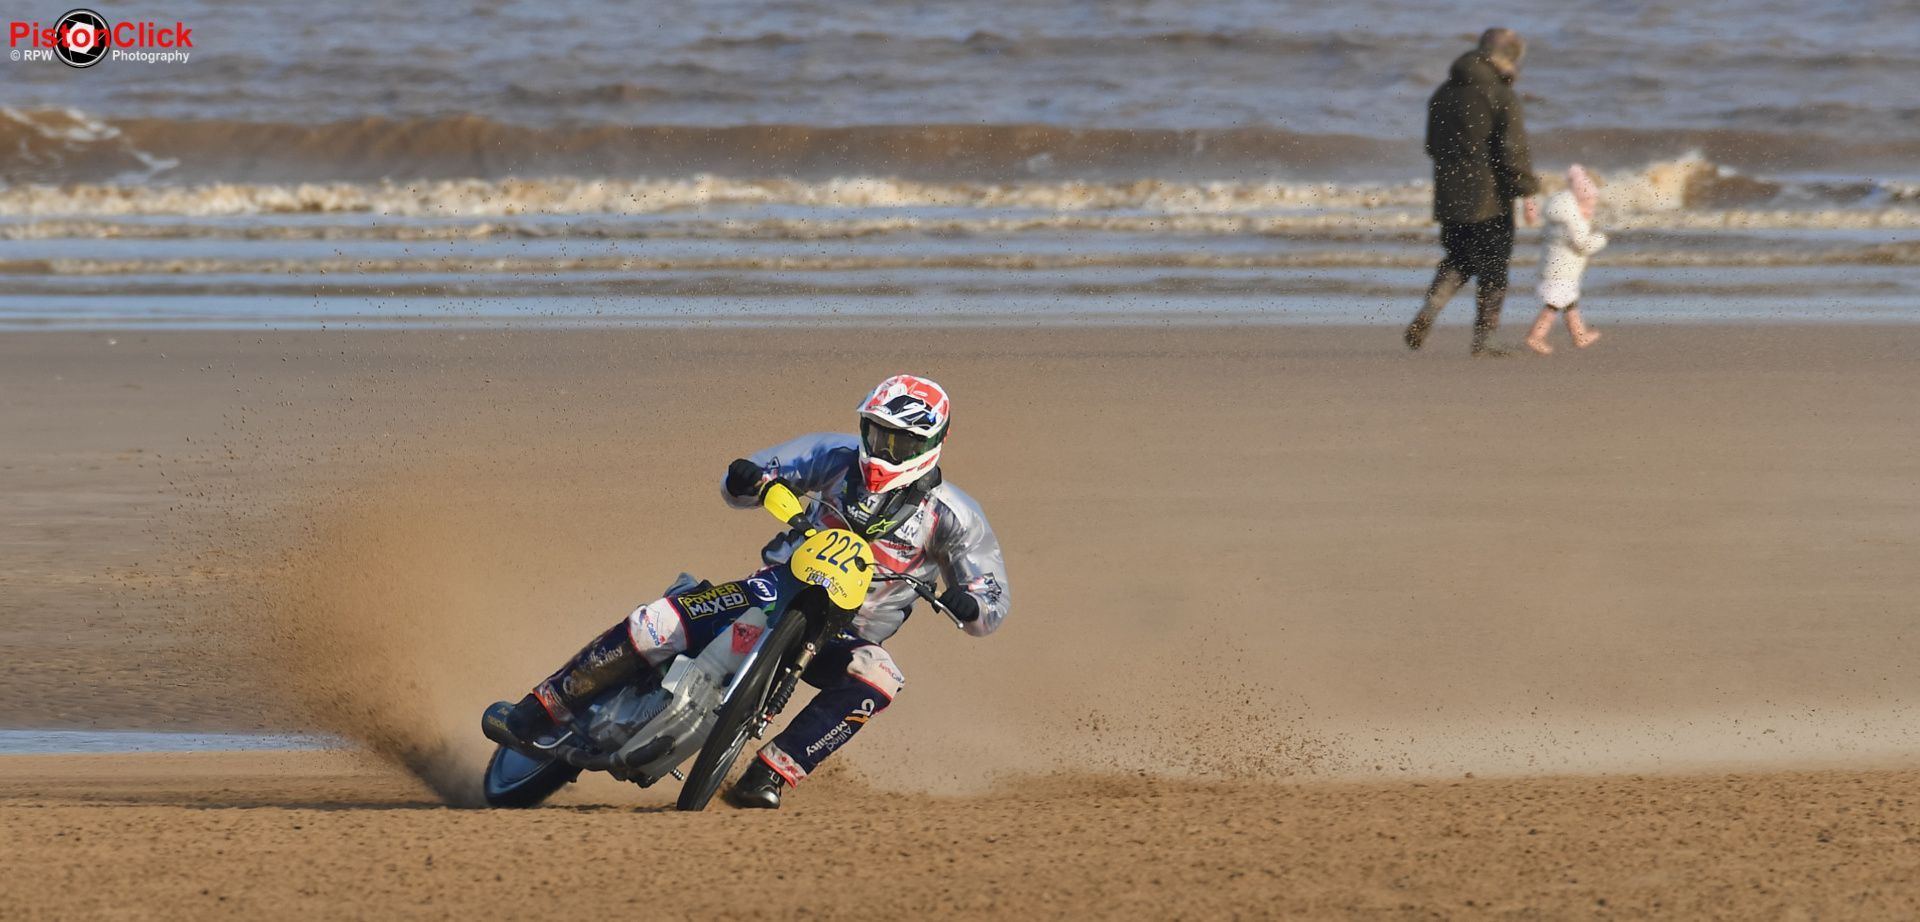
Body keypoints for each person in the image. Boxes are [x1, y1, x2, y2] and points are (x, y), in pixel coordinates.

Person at [485, 374, 1011, 809]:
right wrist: (745, 479)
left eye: (897, 442)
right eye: (875, 434)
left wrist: (972, 604)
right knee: (657, 622)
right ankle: (539, 709)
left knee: (882, 676)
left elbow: (991, 599)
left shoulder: (955, 516)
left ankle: (772, 774)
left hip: (845, 633)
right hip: (771, 588)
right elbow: (746, 478)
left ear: (931, 444)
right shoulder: (831, 454)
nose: (882, 449)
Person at [1405, 27, 1543, 356]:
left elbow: (1431, 145)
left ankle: (1430, 310)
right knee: (1494, 266)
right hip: (1490, 197)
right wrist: (1527, 191)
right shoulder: (1499, 94)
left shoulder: (1443, 93)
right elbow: (1512, 150)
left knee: (1460, 258)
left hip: (1449, 193)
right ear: (1508, 59)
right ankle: (1486, 338)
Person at [1525, 164, 1608, 354]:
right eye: (1589, 205)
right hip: (1561, 272)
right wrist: (1600, 239)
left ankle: (1579, 336)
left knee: (1570, 305)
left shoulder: (1557, 218)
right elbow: (1582, 245)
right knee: (1552, 307)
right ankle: (1535, 337)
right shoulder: (1572, 221)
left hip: (1554, 269)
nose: (1591, 210)